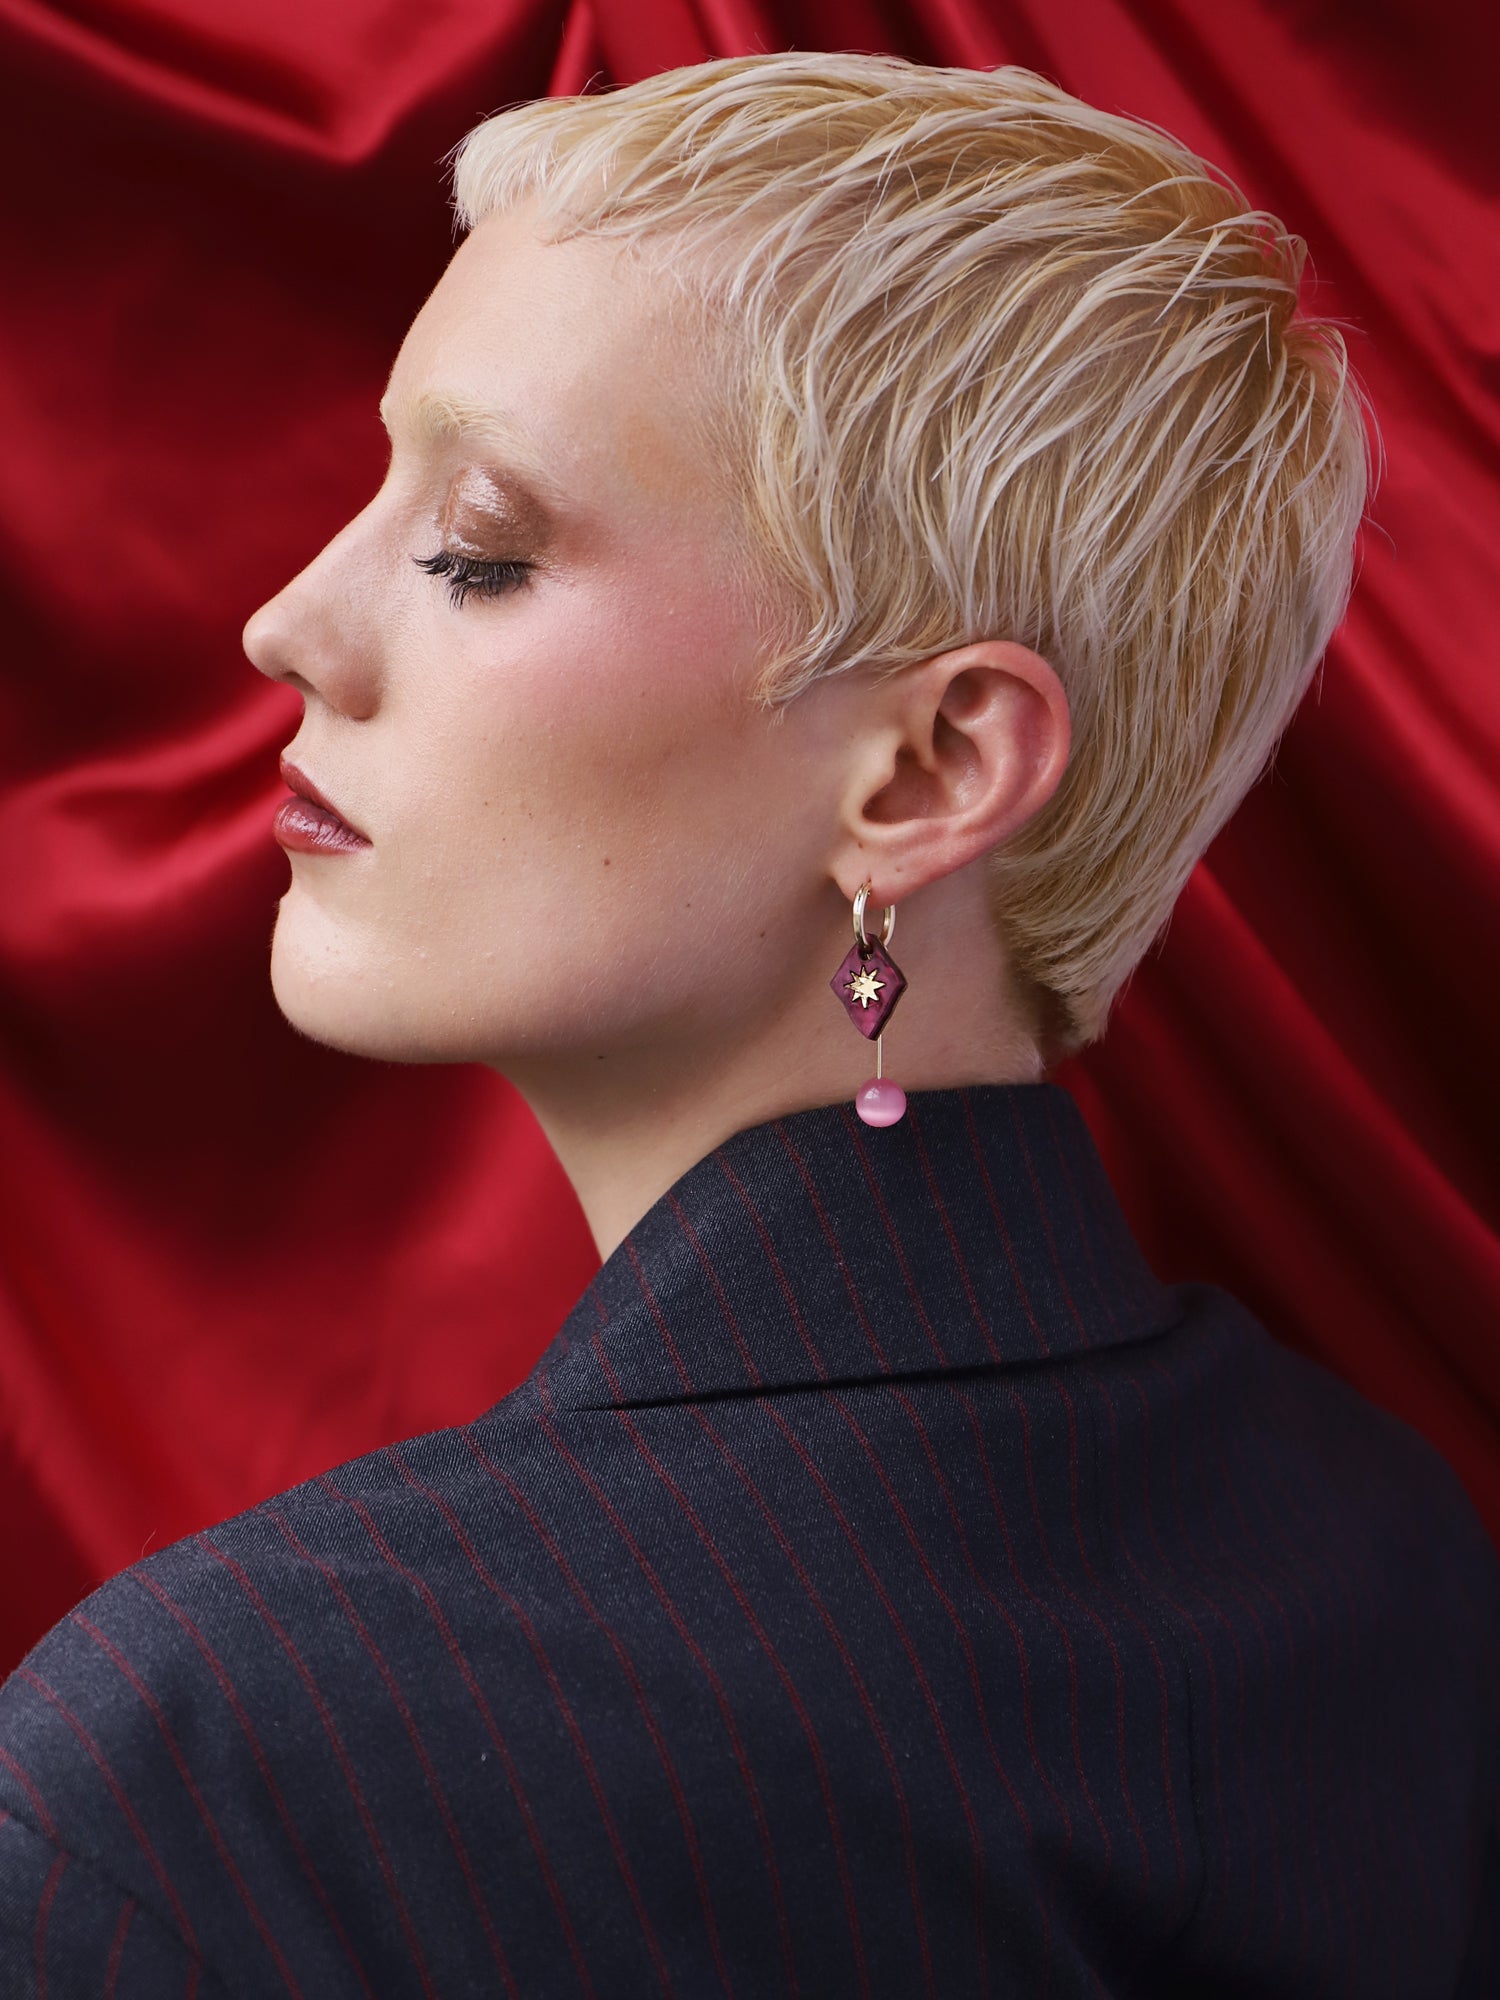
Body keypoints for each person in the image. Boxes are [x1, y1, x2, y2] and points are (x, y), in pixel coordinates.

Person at [1, 47, 1495, 1997]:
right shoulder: (1391, 1556)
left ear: (932, 767)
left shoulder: (212, 1771)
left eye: (479, 545)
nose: (293, 619)